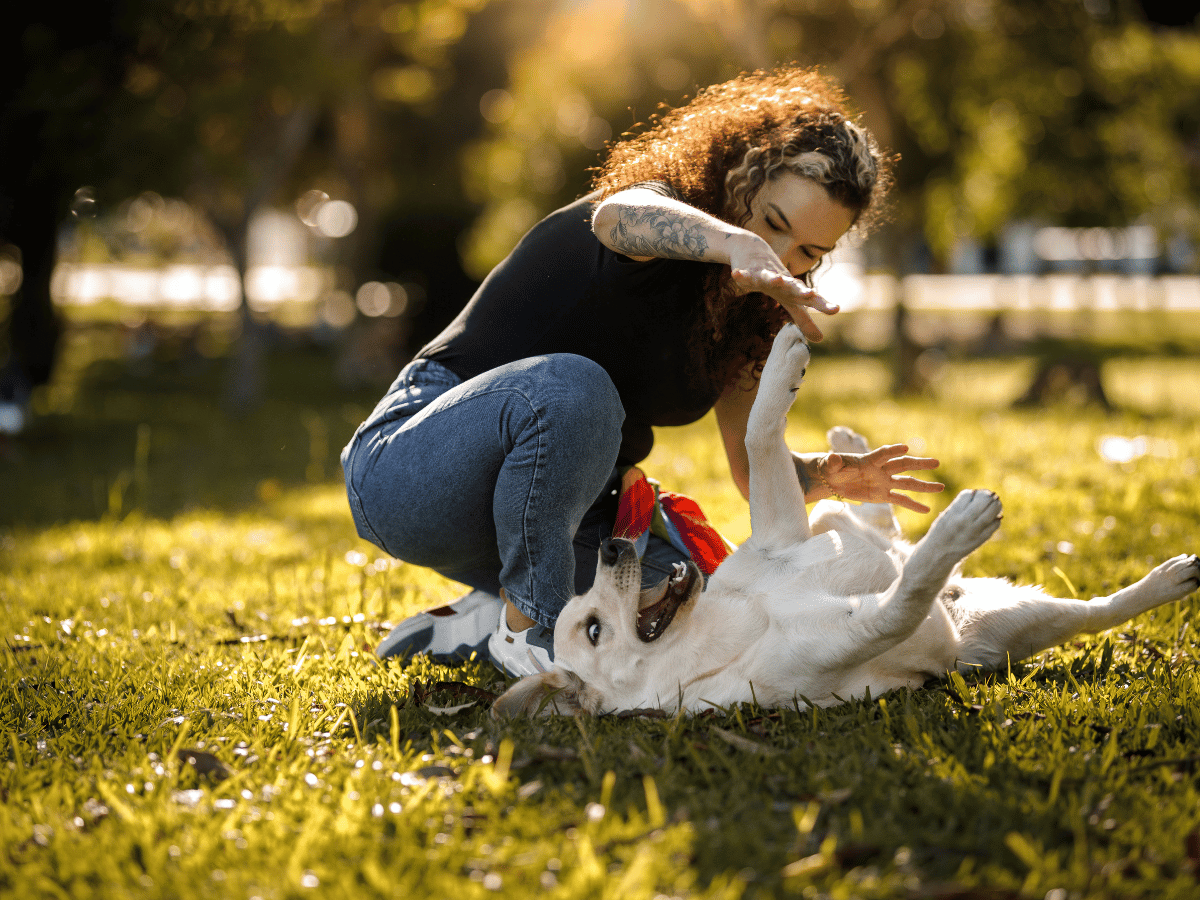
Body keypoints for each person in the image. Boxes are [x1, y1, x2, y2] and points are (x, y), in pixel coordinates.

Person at [340, 65, 943, 676]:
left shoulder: (746, 323)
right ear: (738, 175)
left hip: (542, 518)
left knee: (695, 597)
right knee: (576, 389)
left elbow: (749, 469)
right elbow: (615, 215)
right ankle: (532, 629)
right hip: (408, 469)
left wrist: (829, 475)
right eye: (772, 222)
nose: (782, 257)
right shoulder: (654, 216)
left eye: (808, 253)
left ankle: (482, 620)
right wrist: (735, 245)